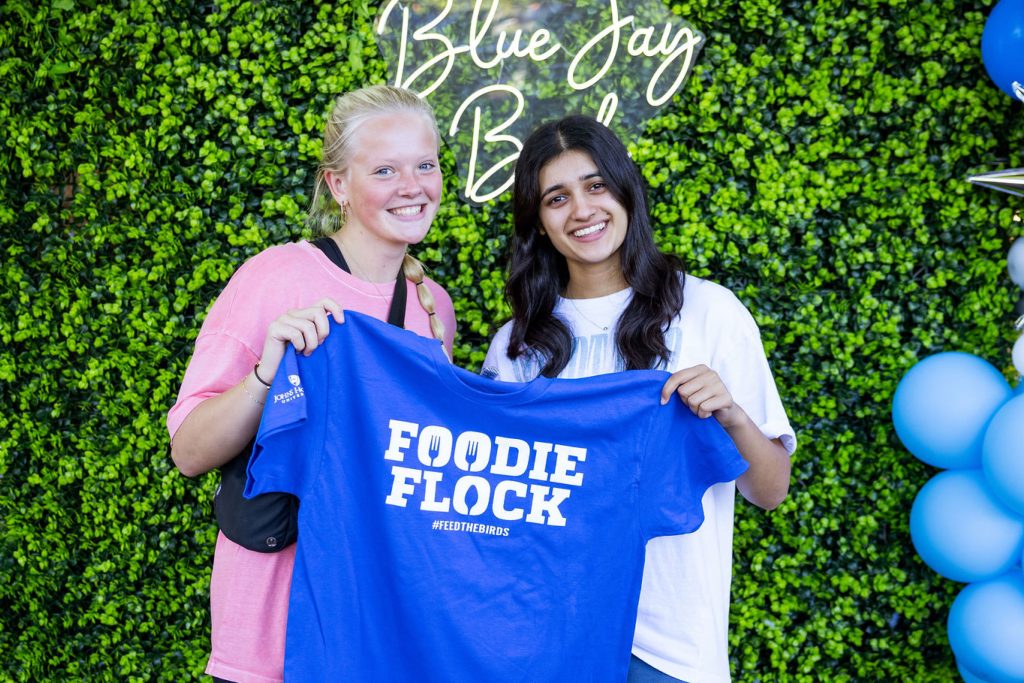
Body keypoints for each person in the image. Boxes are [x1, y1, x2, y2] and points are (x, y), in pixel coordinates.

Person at [481, 114, 796, 683]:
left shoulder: (708, 312)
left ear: (626, 191)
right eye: (557, 198)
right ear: (538, 222)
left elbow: (770, 490)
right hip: (547, 640)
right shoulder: (517, 344)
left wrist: (731, 414)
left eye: (596, 186)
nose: (582, 210)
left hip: (671, 648)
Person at [167, 84, 457, 683]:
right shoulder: (277, 277)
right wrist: (265, 376)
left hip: (379, 634)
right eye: (384, 169)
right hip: (271, 635)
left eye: (424, 165)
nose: (413, 186)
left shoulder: (434, 308)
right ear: (338, 186)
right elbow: (190, 451)